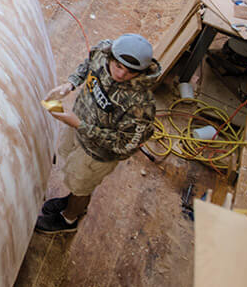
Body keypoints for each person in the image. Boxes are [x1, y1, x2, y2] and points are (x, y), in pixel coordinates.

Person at [34, 34, 163, 234]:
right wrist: (70, 84)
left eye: (130, 72)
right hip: (77, 126)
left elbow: (124, 145)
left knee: (82, 187)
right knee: (75, 179)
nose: (121, 74)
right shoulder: (103, 52)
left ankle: (69, 219)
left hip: (96, 154)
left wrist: (80, 125)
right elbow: (88, 65)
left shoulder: (141, 105)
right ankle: (72, 200)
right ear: (111, 57)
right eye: (118, 66)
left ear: (142, 72)